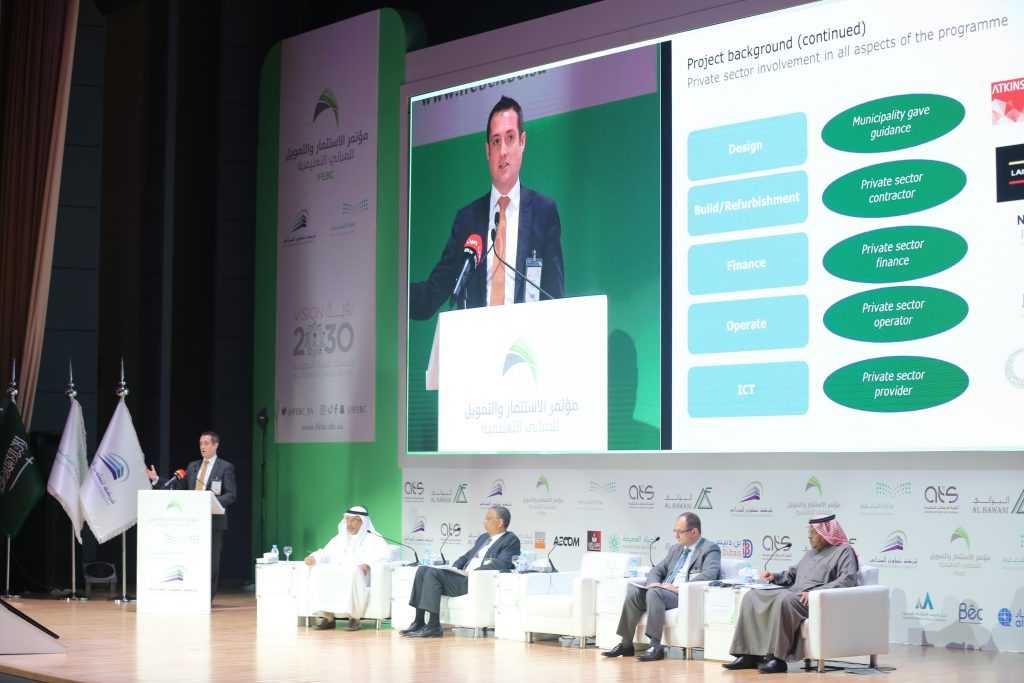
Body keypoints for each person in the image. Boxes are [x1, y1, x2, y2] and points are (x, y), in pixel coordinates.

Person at [409, 95, 565, 320]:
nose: (503, 151)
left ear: (522, 142)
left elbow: (555, 297)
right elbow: (433, 294)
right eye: (496, 141)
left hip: (525, 339)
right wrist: (395, 291)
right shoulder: (467, 220)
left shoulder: (543, 213)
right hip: (477, 338)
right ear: (487, 151)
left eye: (510, 138)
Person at [723, 514, 860, 674]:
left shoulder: (844, 551)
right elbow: (793, 574)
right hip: (794, 594)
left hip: (815, 600)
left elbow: (848, 579)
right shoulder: (811, 553)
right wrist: (774, 577)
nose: (809, 536)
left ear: (825, 533)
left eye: (813, 532)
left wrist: (816, 593)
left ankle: (777, 659)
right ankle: (748, 654)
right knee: (752, 596)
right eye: (809, 532)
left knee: (784, 599)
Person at [603, 512, 721, 662]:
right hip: (663, 591)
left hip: (683, 595)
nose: (676, 536)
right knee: (634, 592)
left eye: (680, 532)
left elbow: (710, 574)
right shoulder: (676, 549)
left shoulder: (710, 549)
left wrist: (679, 588)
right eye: (675, 531)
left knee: (654, 593)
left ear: (694, 532)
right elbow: (657, 570)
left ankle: (655, 646)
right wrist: (653, 583)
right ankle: (626, 644)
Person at [401, 505, 520, 638]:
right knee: (422, 570)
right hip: (461, 577)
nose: (484, 521)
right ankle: (419, 621)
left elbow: (502, 563)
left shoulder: (510, 540)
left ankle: (434, 626)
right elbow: (467, 556)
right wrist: (455, 567)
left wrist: (474, 572)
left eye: (488, 519)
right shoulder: (483, 538)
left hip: (475, 581)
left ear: (500, 522)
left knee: (432, 573)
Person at [146, 431, 237, 601]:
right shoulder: (193, 466)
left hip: (213, 522)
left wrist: (209, 502)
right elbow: (178, 488)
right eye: (201, 443)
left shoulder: (225, 467)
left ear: (215, 445)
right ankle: (191, 595)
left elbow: (231, 494)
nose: (202, 447)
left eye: (206, 443)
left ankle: (207, 598)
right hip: (192, 522)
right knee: (192, 560)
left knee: (211, 562)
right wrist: (157, 479)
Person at [303, 505, 390, 631]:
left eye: (354, 520)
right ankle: (328, 618)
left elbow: (385, 556)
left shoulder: (375, 539)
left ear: (363, 522)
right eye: (347, 520)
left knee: (353, 572)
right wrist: (314, 557)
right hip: (339, 572)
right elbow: (325, 552)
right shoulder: (340, 538)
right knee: (318, 571)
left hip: (359, 574)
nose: (349, 524)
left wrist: (368, 564)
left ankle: (354, 618)